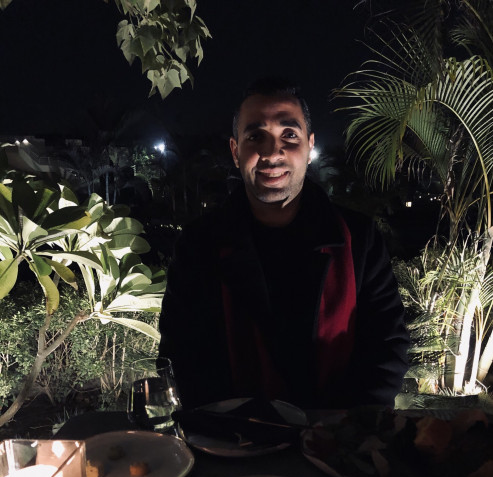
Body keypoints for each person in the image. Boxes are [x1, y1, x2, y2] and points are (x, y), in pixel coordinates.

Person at [158, 77, 409, 409]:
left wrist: (344, 428)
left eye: (289, 135)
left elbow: (387, 347)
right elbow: (180, 355)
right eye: (255, 136)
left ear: (309, 147)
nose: (271, 152)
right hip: (231, 433)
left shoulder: (357, 238)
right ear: (235, 152)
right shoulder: (199, 244)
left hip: (337, 433)